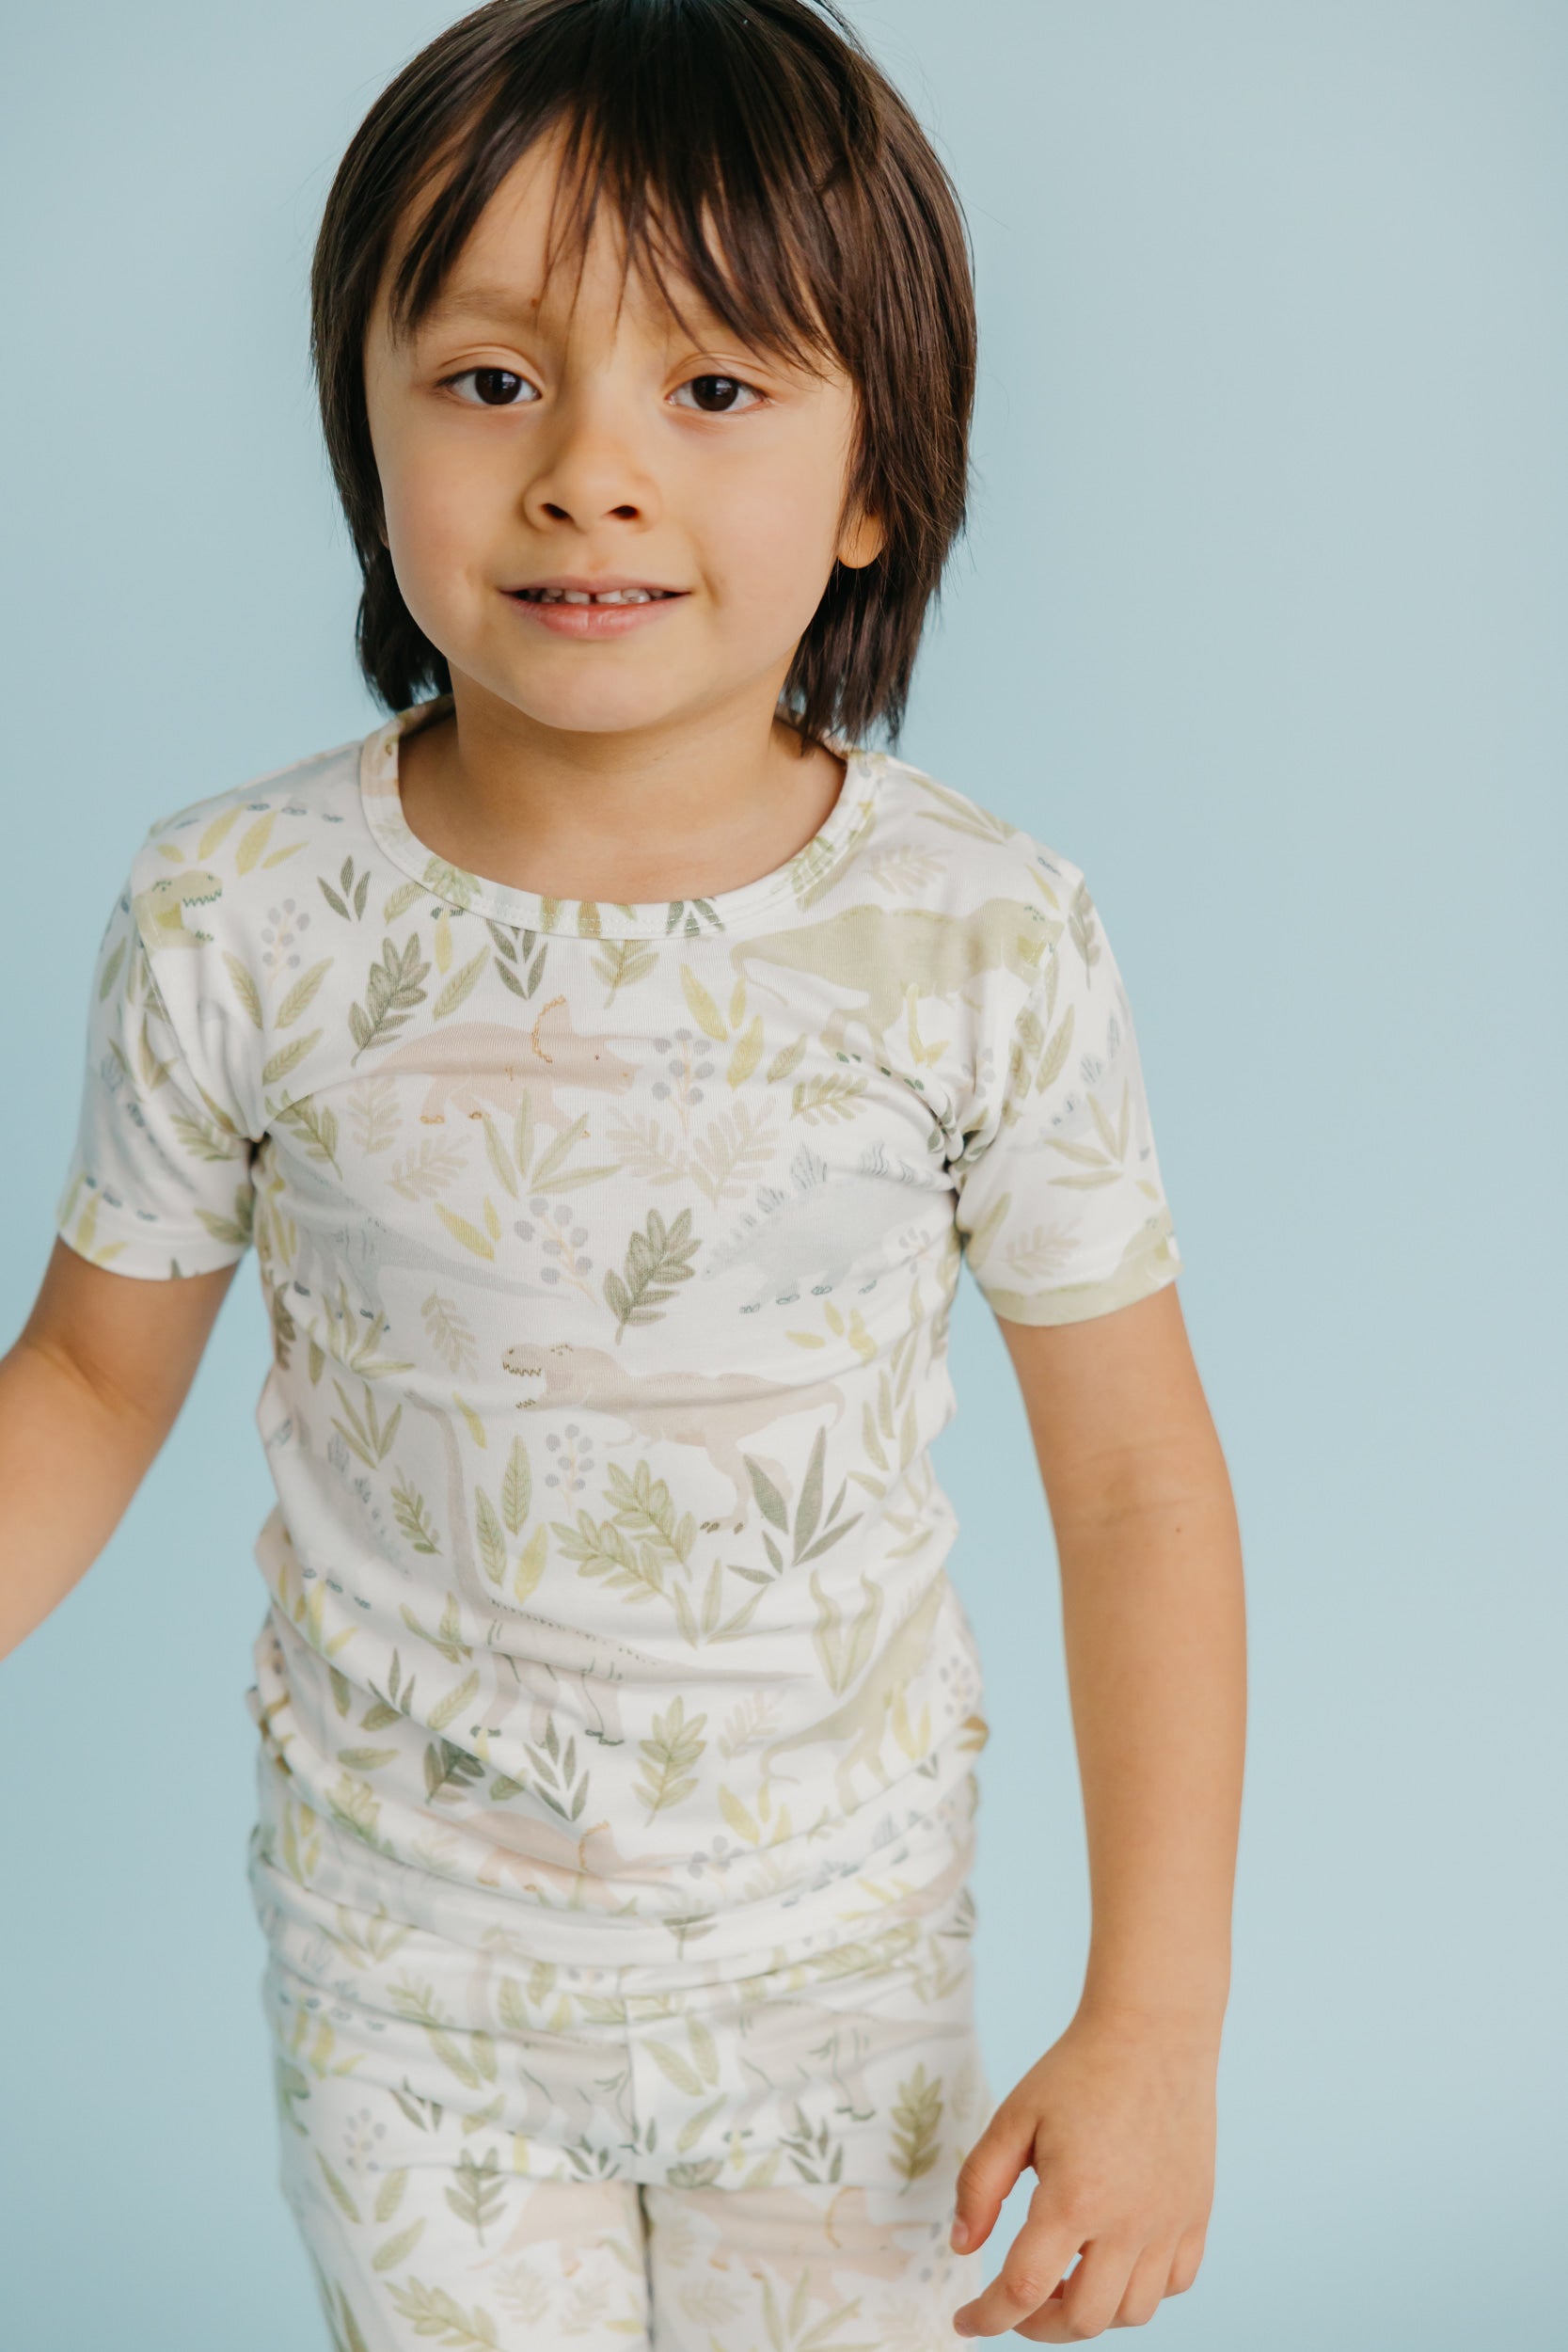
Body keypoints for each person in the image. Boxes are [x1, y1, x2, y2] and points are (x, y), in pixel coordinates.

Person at [1, 1, 1246, 2344]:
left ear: (875, 478)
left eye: (714, 387)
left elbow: (1139, 1488)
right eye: (492, 380)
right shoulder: (234, 916)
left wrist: (1157, 2022)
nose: (590, 471)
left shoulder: (982, 935)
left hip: (842, 1987)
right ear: (363, 425)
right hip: (411, 1992)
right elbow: (79, 1381)